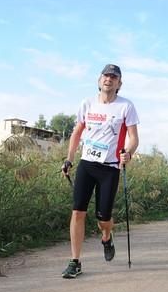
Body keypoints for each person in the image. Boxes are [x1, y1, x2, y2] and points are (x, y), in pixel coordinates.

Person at [60, 64, 140, 279]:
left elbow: (133, 138)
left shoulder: (126, 107)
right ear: (99, 80)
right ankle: (75, 261)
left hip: (110, 167)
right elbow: (77, 132)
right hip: (87, 164)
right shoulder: (87, 104)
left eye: (114, 77)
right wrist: (69, 158)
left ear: (119, 84)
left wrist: (129, 154)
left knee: (103, 217)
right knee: (78, 212)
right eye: (106, 76)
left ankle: (106, 235)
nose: (109, 79)